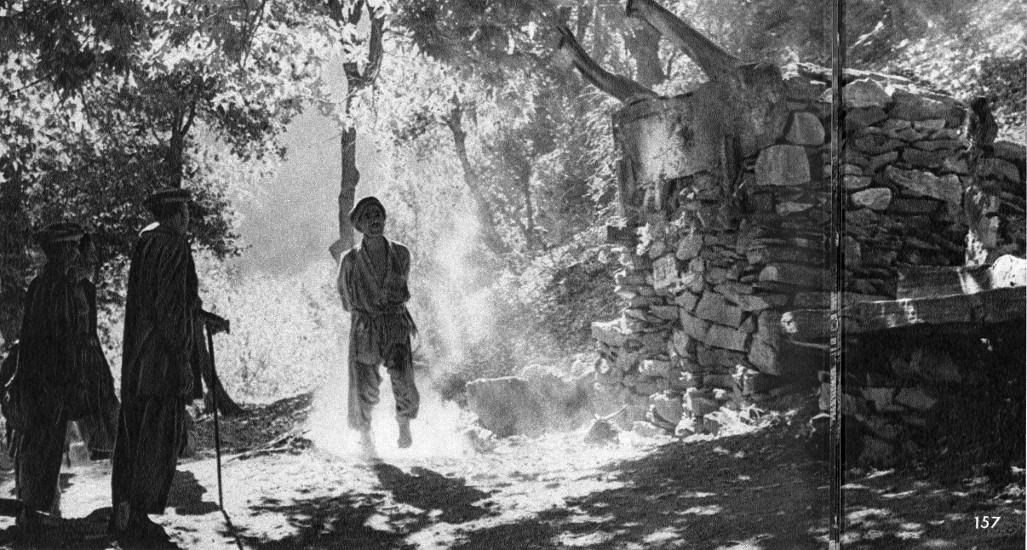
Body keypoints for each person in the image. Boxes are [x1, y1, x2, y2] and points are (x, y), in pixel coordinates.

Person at [111, 188, 206, 544]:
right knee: (158, 438)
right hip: (163, 358)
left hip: (139, 356)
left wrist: (202, 316)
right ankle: (138, 516)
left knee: (135, 434)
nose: (188, 218)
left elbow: (153, 300)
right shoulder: (175, 245)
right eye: (185, 211)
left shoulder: (146, 242)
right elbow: (169, 307)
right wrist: (182, 356)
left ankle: (124, 510)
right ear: (175, 213)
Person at [6, 221, 89, 524]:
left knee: (39, 445)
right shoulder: (57, 286)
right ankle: (34, 511)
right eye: (71, 246)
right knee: (44, 445)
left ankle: (35, 508)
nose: (76, 252)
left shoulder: (41, 284)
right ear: (60, 251)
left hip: (37, 378)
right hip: (49, 380)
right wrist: (70, 377)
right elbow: (60, 336)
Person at [337, 197, 420, 452]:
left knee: (404, 379)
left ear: (384, 218)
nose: (375, 220)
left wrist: (388, 305)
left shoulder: (401, 253)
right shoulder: (349, 261)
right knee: (364, 384)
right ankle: (365, 435)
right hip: (366, 327)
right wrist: (366, 312)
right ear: (360, 225)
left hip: (395, 322)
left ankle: (404, 424)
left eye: (378, 215)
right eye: (368, 217)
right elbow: (345, 298)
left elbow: (401, 285)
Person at [73, 233, 120, 460]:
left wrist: (98, 356)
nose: (94, 260)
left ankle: (114, 443)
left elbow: (91, 329)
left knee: (105, 392)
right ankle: (97, 446)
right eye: (89, 254)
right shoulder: (64, 288)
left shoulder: (87, 288)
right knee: (85, 399)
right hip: (75, 353)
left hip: (91, 351)